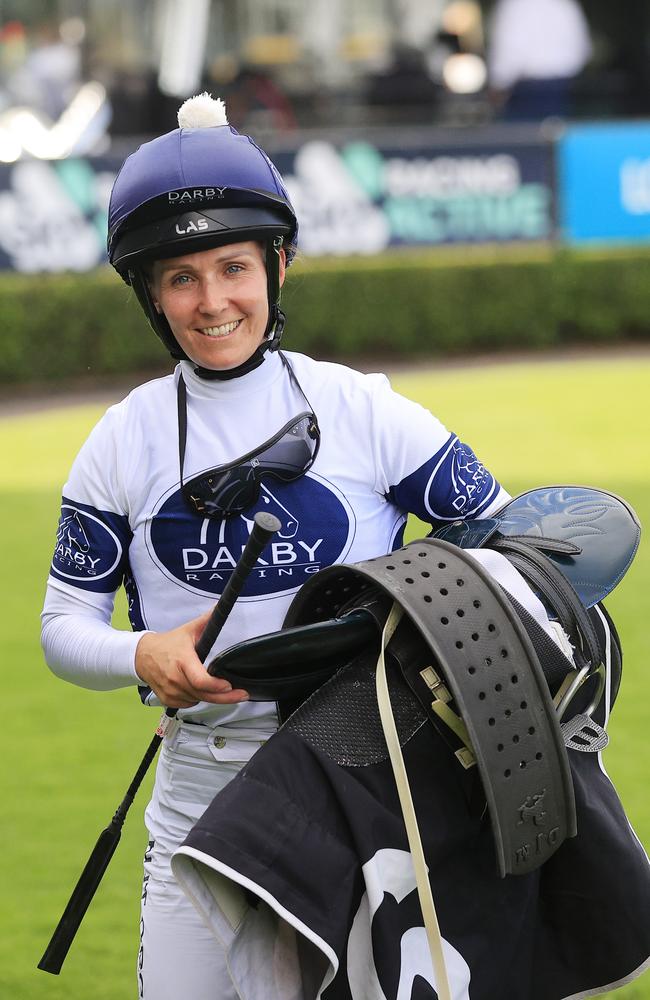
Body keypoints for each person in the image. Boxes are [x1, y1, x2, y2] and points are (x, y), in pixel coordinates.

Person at [41, 93, 511, 999]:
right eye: (180, 277)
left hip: (360, 794)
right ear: (148, 292)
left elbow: (499, 546)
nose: (213, 301)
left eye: (233, 267)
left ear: (279, 265)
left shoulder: (367, 410)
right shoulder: (121, 438)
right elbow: (64, 626)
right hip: (196, 801)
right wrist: (141, 651)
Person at [486, 0, 592, 121]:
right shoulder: (565, 4)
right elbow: (581, 51)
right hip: (561, 89)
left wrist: (498, 85)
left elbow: (507, 50)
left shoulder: (514, 5)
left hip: (526, 91)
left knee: (520, 136)